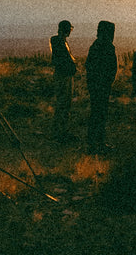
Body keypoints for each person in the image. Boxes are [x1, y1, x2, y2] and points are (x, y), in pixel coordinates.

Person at [84, 20, 118, 154]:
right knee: (100, 114)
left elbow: (88, 65)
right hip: (102, 86)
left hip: (95, 86)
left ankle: (93, 143)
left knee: (95, 114)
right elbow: (110, 68)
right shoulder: (107, 47)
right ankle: (98, 143)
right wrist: (107, 81)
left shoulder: (95, 46)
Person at [50, 20, 78, 141]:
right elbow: (64, 59)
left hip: (63, 75)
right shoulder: (59, 41)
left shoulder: (59, 41)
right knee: (64, 103)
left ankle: (60, 130)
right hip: (64, 76)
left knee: (63, 103)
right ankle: (60, 132)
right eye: (69, 29)